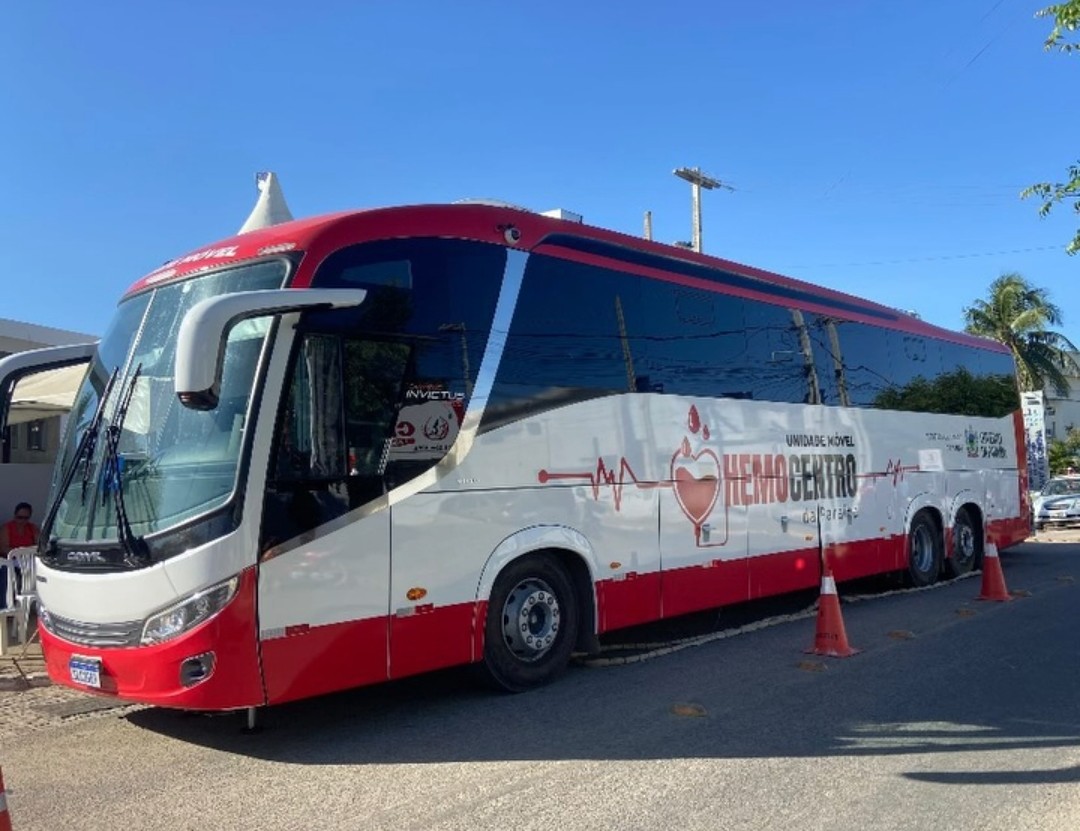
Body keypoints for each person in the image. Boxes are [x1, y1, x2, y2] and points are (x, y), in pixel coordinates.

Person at [0, 502, 39, 608]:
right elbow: (3, 548)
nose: (22, 521)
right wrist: (20, 552)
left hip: (27, 561)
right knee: (5, 574)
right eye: (19, 517)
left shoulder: (32, 529)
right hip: (10, 560)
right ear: (14, 515)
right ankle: (4, 609)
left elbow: (39, 546)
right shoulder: (7, 528)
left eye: (25, 518)